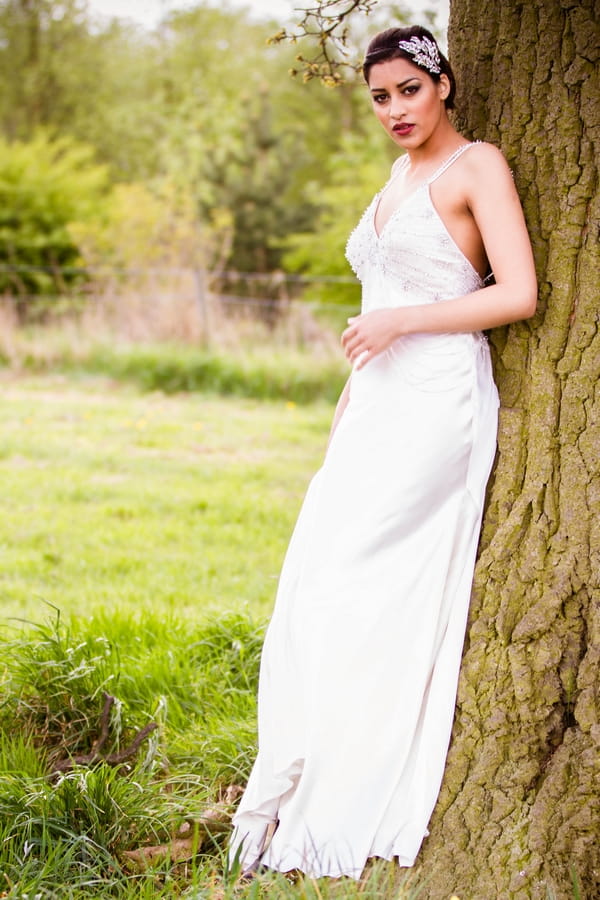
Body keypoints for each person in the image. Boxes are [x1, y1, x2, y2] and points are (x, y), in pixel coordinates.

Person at [229, 24, 537, 880]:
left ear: (443, 84)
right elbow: (377, 304)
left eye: (409, 89)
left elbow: (518, 293)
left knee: (367, 583)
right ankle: (306, 768)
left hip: (438, 397)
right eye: (379, 97)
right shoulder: (397, 176)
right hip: (375, 406)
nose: (395, 110)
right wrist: (346, 413)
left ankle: (355, 789)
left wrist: (402, 322)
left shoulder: (479, 165)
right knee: (317, 578)